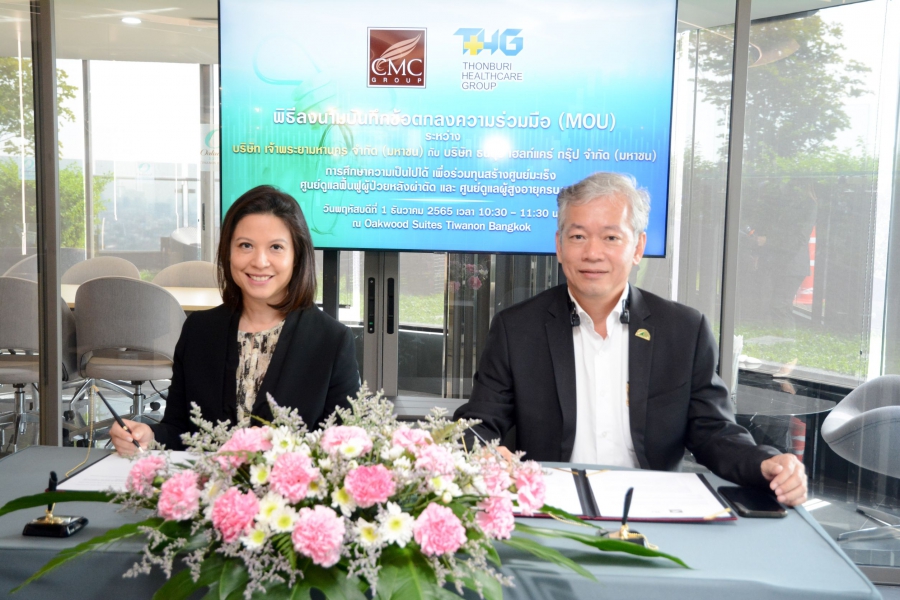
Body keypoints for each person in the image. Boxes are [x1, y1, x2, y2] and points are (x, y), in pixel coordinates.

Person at [453, 172, 808, 506]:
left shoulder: (684, 330)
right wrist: (482, 452)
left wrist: (765, 463)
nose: (592, 253)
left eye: (611, 237)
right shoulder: (517, 329)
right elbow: (478, 424)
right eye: (578, 237)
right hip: (551, 504)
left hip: (652, 507)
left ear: (638, 247)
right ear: (559, 246)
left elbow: (713, 431)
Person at [110, 186, 360, 455]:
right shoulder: (199, 331)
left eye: (276, 247)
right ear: (228, 252)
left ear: (297, 256)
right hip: (209, 480)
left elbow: (344, 447)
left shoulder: (331, 341)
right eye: (245, 246)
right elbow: (179, 430)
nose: (260, 262)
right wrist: (149, 436)